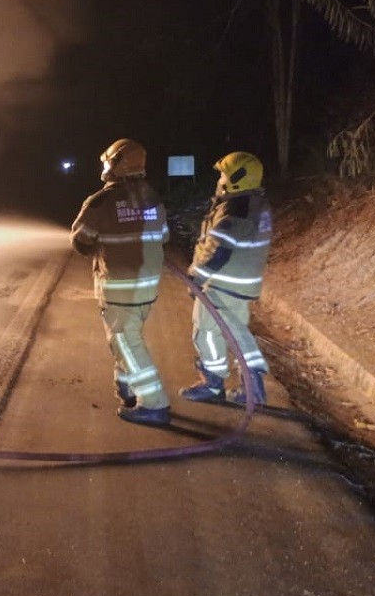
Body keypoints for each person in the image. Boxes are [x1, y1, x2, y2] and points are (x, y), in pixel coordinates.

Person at [70, 138, 172, 425]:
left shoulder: (101, 202)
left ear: (116, 163)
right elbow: (164, 236)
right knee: (128, 339)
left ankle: (154, 404)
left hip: (118, 290)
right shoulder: (152, 197)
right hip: (148, 288)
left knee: (127, 343)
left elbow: (80, 242)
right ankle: (126, 387)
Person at [180, 151, 273, 406]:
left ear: (236, 178)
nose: (220, 179)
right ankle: (252, 388)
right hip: (241, 284)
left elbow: (219, 249)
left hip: (223, 283)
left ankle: (212, 384)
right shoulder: (255, 204)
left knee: (207, 332)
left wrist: (196, 277)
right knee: (236, 332)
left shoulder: (235, 208)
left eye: (223, 174)